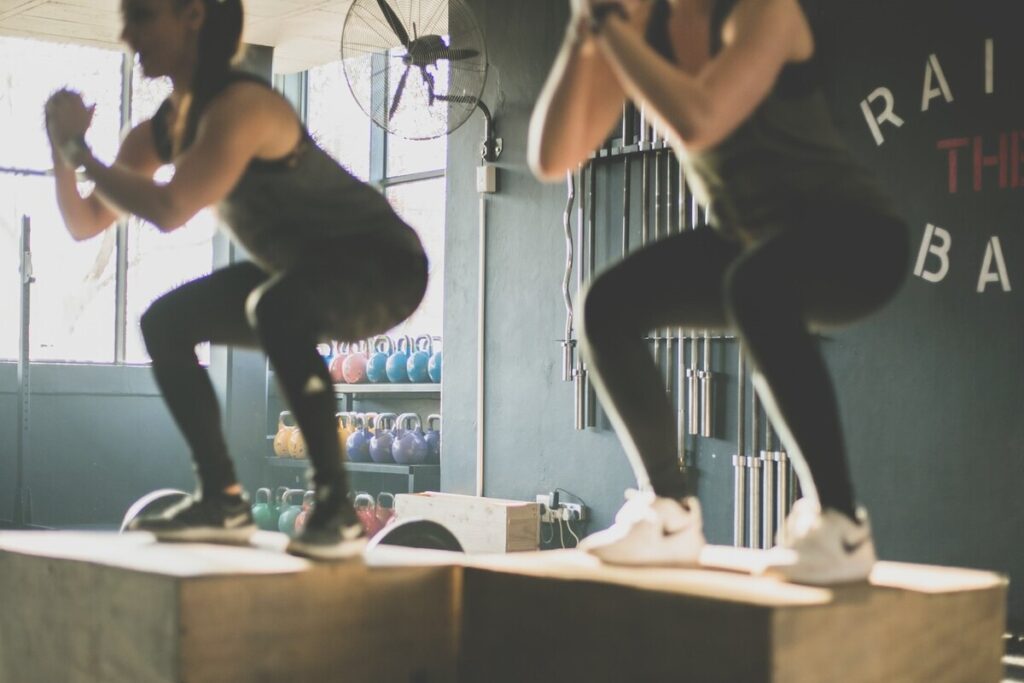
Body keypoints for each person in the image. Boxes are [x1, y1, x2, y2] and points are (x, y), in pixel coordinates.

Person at [528, 0, 909, 584]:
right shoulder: (643, 32)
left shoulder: (763, 12)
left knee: (755, 285)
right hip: (749, 243)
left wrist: (609, 27)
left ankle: (842, 524)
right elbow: (552, 158)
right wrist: (584, 37)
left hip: (857, 237)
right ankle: (671, 512)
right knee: (607, 306)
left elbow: (699, 118)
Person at [44, 0, 428, 560]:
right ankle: (222, 499)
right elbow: (85, 222)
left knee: (275, 308)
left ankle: (337, 508)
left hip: (383, 264)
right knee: (166, 322)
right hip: (302, 271)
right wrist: (62, 150)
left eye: (144, 15)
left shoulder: (244, 106)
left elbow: (171, 207)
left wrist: (80, 150)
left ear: (193, 14)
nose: (128, 33)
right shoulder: (161, 131)